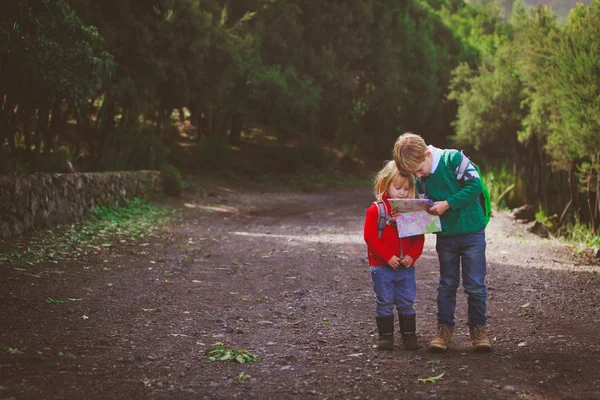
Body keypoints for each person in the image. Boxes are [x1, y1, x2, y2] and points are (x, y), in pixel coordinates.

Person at [393, 132, 492, 353]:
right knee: (447, 283)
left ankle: (478, 329)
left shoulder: (453, 159)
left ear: (427, 153)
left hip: (472, 232)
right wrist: (413, 215)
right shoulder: (422, 175)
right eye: (414, 173)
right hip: (446, 236)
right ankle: (444, 329)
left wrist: (448, 203)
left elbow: (474, 185)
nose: (418, 176)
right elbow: (427, 206)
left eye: (419, 170)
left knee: (475, 283)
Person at [363, 160, 425, 351]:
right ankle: (386, 337)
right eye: (398, 187)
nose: (402, 193)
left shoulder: (411, 211)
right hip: (382, 266)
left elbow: (419, 239)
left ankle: (409, 336)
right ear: (385, 184)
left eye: (407, 189)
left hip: (406, 266)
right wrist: (387, 256)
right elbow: (370, 236)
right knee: (385, 300)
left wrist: (411, 257)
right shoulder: (377, 210)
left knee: (407, 301)